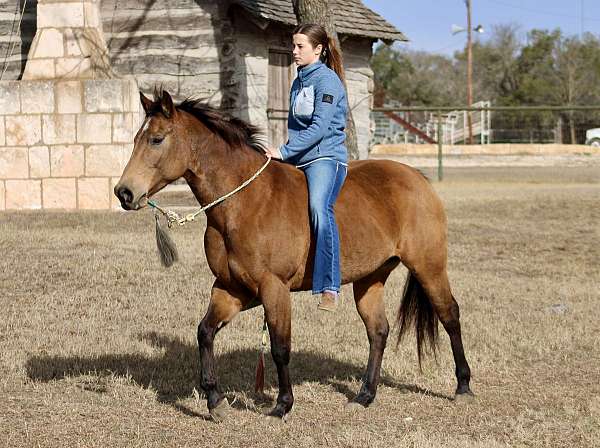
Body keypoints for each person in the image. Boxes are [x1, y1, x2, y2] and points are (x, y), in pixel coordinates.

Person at [264, 23, 348, 312]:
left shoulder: (328, 82)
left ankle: (330, 286)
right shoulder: (299, 80)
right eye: (293, 45)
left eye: (300, 46)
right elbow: (296, 128)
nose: (294, 51)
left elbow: (319, 128)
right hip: (297, 158)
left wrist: (283, 151)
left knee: (318, 209)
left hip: (325, 157)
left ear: (319, 49)